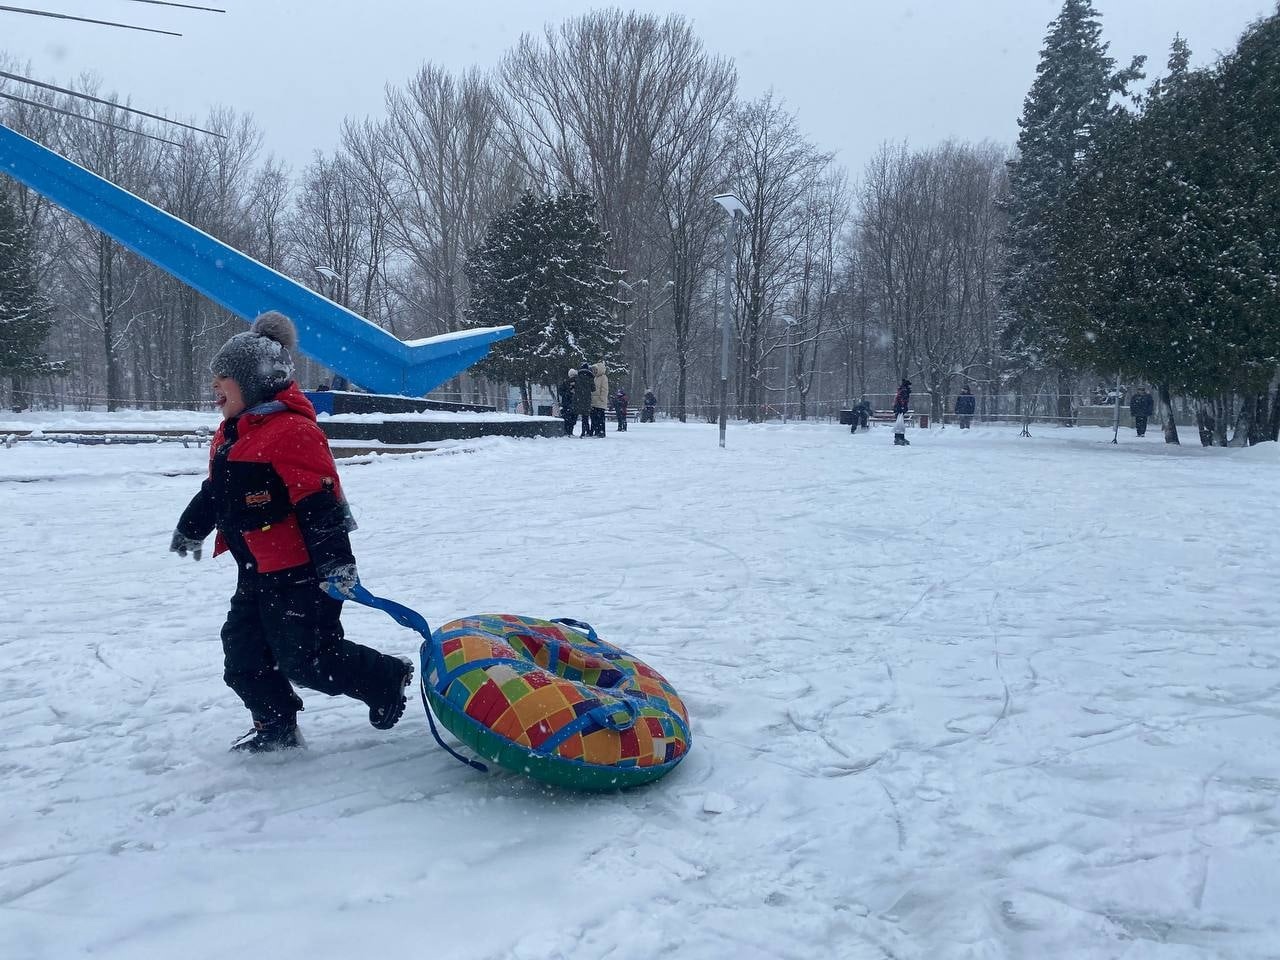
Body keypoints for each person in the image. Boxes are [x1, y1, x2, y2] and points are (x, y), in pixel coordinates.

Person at [169, 312, 414, 753]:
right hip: (255, 569)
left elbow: (320, 505)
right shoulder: (233, 433)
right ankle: (275, 725)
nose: (214, 386)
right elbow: (218, 490)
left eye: (223, 377)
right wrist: (192, 527)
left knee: (308, 659)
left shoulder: (293, 431)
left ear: (254, 381)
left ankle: (383, 677)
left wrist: (337, 563)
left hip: (302, 572)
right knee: (243, 657)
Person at [589, 361, 609, 438]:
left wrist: (601, 398)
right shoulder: (595, 378)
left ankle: (601, 432)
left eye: (596, 369)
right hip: (594, 402)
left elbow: (604, 390)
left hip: (600, 402)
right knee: (594, 418)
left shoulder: (603, 377)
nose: (595, 371)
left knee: (600, 418)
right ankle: (597, 431)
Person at [575, 362, 594, 436]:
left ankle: (584, 431)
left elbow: (575, 387)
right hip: (587, 399)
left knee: (581, 415)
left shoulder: (578, 377)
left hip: (579, 399)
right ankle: (584, 431)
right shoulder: (590, 378)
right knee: (585, 416)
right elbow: (593, 389)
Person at [558, 368, 578, 436]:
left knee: (567, 417)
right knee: (573, 417)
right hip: (574, 403)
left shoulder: (565, 382)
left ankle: (567, 431)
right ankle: (570, 431)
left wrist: (566, 394)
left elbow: (560, 391)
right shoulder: (578, 382)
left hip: (566, 403)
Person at [892, 378, 912, 446]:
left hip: (899, 408)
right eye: (909, 385)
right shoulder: (904, 390)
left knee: (900, 423)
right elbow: (901, 399)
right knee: (899, 424)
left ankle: (901, 437)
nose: (910, 387)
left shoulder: (903, 390)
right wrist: (902, 407)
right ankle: (898, 438)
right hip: (899, 408)